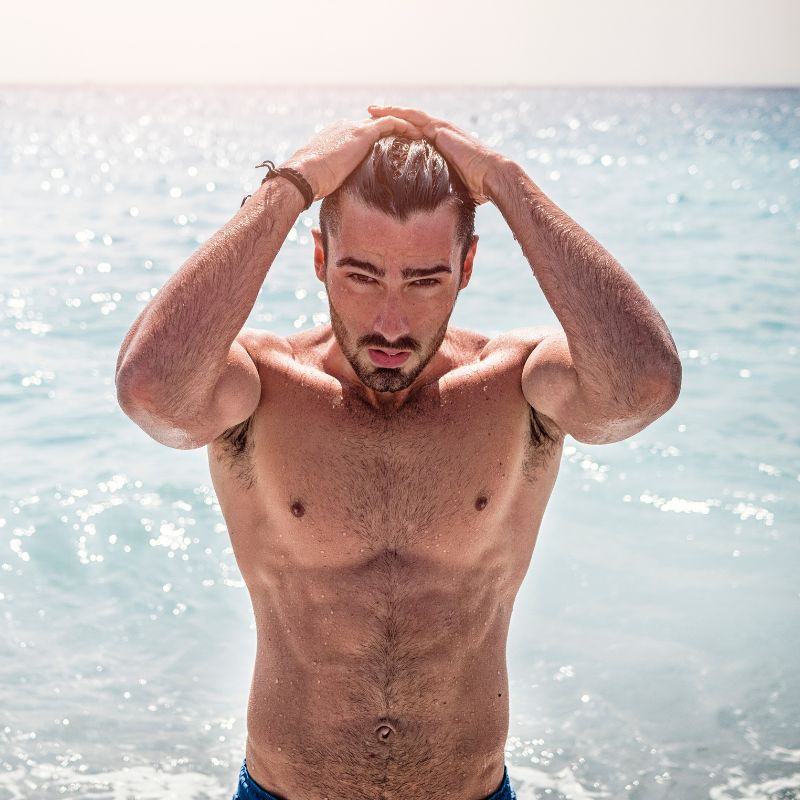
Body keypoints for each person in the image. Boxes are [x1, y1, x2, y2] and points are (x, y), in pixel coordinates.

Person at [115, 105, 681, 800]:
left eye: (423, 280)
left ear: (467, 265)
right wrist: (290, 186)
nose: (391, 322)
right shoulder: (260, 387)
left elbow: (644, 383)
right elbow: (151, 391)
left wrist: (505, 182)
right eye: (361, 276)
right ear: (319, 259)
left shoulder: (517, 386)